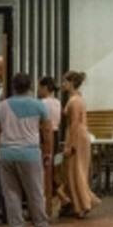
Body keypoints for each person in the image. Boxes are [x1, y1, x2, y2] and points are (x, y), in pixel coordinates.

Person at [0, 72, 54, 227]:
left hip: (6, 153)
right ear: (30, 86)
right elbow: (47, 132)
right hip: (30, 153)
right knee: (35, 193)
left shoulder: (1, 107)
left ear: (13, 87)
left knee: (11, 194)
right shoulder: (39, 105)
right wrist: (47, 153)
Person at [60, 70, 100, 218]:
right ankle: (77, 202)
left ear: (71, 83)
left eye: (65, 81)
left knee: (76, 170)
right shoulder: (77, 99)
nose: (62, 84)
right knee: (75, 170)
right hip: (80, 134)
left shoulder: (75, 101)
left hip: (77, 135)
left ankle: (84, 204)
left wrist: (69, 145)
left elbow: (75, 123)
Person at [37, 76, 62, 210]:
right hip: (56, 134)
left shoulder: (43, 103)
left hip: (45, 135)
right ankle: (58, 197)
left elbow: (41, 122)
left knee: (44, 170)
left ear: (45, 88)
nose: (38, 90)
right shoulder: (57, 102)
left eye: (39, 87)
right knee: (52, 168)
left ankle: (46, 203)